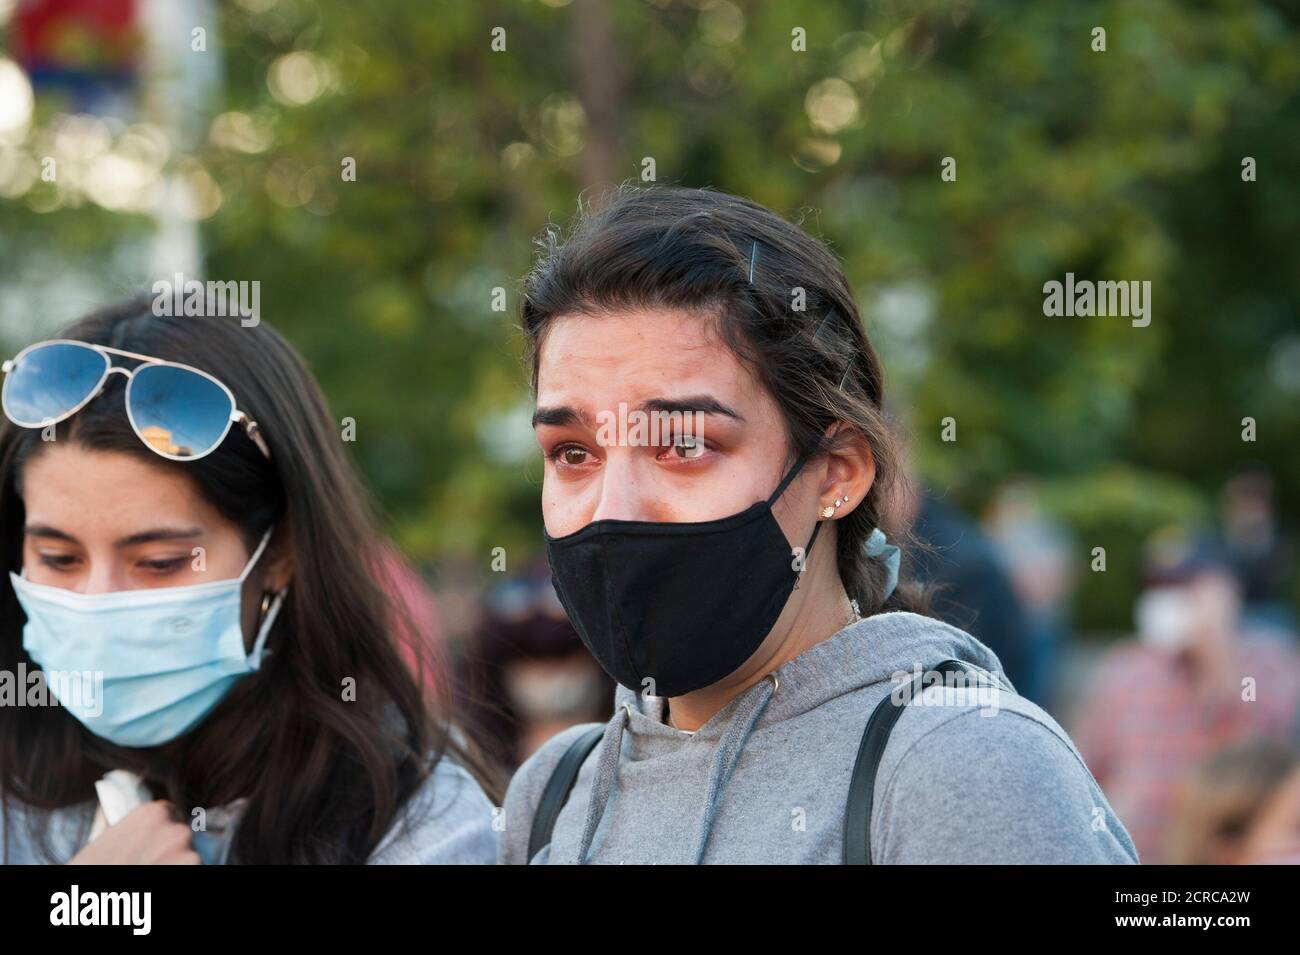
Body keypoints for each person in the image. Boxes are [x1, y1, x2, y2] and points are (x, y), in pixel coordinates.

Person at [497, 183, 1139, 864]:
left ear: (835, 472)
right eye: (572, 452)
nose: (612, 506)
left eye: (683, 444)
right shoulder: (554, 795)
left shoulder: (964, 766)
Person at [0, 296, 498, 863]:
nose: (96, 605)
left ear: (280, 551)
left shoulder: (414, 817)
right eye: (59, 558)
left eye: (159, 562)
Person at [1073, 526, 1300, 865]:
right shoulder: (1125, 667)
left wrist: (1218, 659)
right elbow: (1083, 770)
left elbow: (1263, 765)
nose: (1169, 598)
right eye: (1159, 587)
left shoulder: (1270, 662)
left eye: (1184, 587)